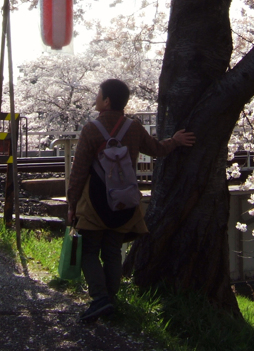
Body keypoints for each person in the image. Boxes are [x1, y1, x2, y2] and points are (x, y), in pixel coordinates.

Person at [66, 78, 195, 323]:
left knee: (89, 252)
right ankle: (111, 301)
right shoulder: (133, 127)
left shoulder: (91, 129)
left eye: (98, 94)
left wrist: (72, 204)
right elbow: (156, 149)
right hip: (123, 200)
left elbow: (79, 171)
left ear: (106, 101)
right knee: (113, 251)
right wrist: (175, 141)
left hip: (93, 202)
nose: (96, 97)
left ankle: (99, 298)